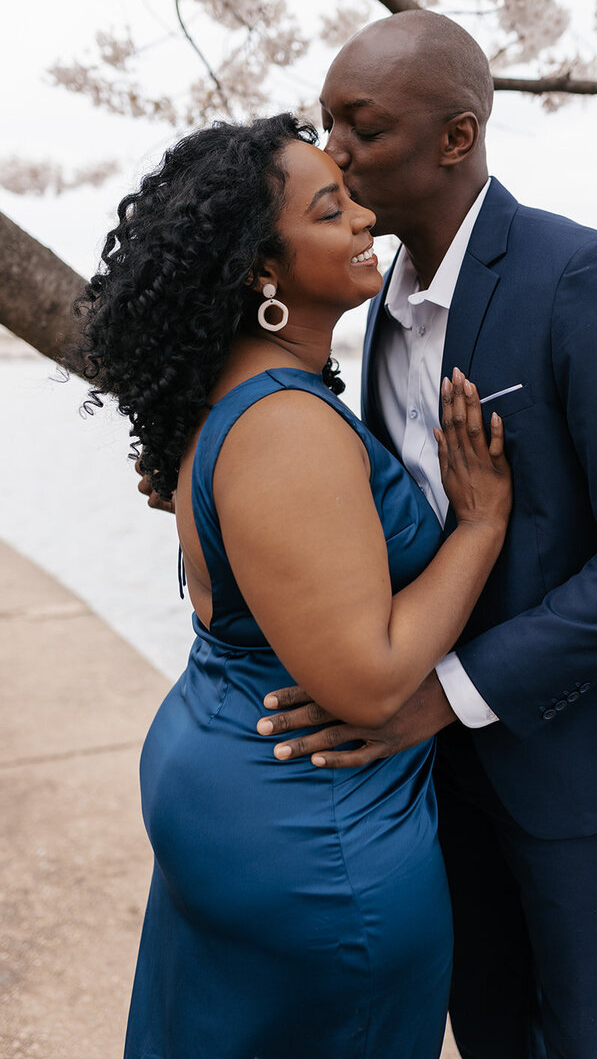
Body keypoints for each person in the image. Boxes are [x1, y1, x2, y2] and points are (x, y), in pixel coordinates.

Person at [259, 11, 597, 1059]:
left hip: (585, 758)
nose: (331, 151)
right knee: (483, 1029)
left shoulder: (585, 278)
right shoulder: (375, 312)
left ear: (454, 139)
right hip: (434, 769)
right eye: (325, 123)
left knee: (596, 1038)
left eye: (362, 128)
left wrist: (442, 695)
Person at [77, 113, 513, 1059]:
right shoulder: (286, 424)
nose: (365, 220)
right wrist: (479, 525)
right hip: (313, 838)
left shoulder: (240, 394)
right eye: (331, 211)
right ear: (257, 270)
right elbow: (366, 683)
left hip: (238, 785)